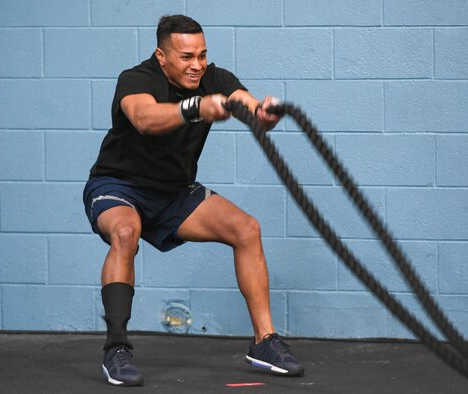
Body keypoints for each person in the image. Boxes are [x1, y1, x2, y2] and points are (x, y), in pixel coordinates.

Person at [83, 14, 304, 386]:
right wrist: (196, 108)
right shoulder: (136, 79)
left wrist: (262, 114)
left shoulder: (215, 79)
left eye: (201, 55)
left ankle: (263, 342)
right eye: (186, 57)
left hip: (174, 192)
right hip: (119, 186)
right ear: (162, 56)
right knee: (125, 230)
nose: (197, 65)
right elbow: (145, 118)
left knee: (246, 228)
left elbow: (245, 105)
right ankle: (116, 350)